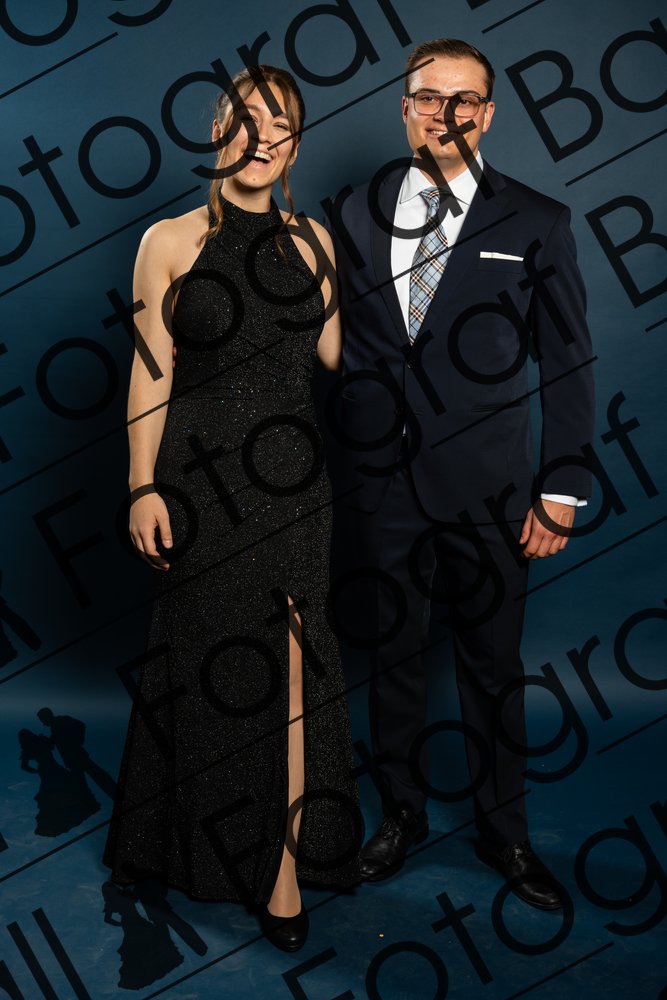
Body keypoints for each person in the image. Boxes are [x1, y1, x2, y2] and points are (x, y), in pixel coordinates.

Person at [328, 38, 594, 909]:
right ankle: (400, 813)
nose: (445, 113)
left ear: (488, 112)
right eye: (427, 97)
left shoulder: (537, 221)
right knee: (393, 657)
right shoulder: (351, 211)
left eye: (464, 99)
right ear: (404, 108)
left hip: (491, 489)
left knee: (490, 664)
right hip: (380, 485)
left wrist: (559, 489)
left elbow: (568, 363)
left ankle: (503, 831)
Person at [103, 64, 360, 952]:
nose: (262, 139)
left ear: (295, 145)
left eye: (280, 125)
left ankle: (280, 872)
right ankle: (167, 839)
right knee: (205, 659)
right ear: (219, 133)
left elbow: (340, 355)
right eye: (247, 120)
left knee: (290, 664)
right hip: (199, 481)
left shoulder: (314, 242)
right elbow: (150, 370)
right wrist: (141, 485)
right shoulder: (168, 240)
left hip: (295, 485)